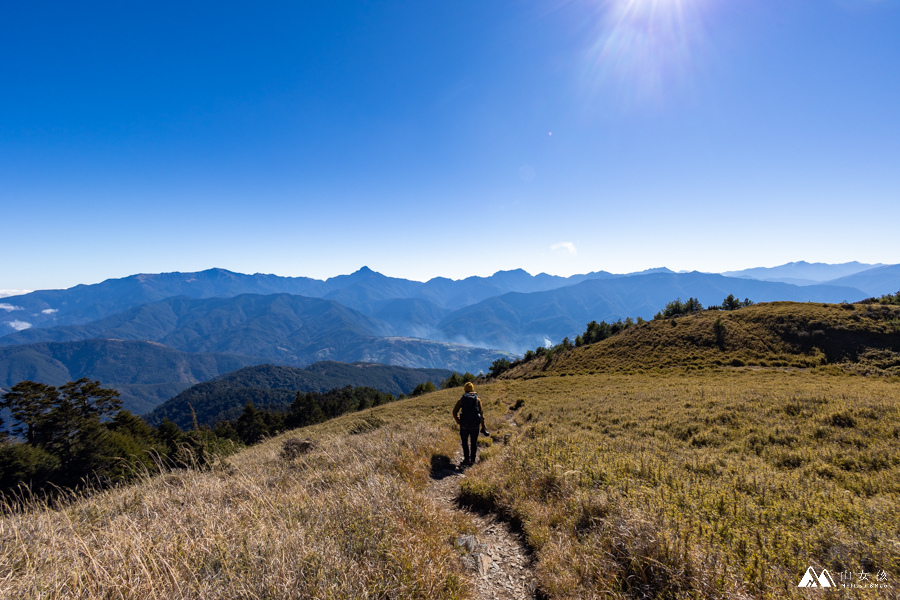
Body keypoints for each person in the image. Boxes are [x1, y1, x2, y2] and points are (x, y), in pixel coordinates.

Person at [453, 381, 488, 466]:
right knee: (473, 442)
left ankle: (466, 459)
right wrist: (483, 426)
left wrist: (459, 422)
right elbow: (481, 414)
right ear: (472, 389)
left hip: (464, 425)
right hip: (475, 426)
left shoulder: (461, 399)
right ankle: (472, 460)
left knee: (464, 442)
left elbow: (454, 412)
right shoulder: (477, 400)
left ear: (465, 389)